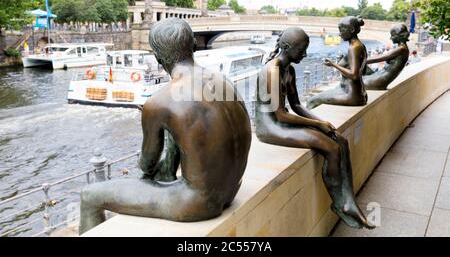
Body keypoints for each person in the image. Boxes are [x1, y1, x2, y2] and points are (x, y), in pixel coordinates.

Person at [79, 18, 252, 234]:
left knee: (89, 195)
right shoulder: (225, 83)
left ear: (157, 57)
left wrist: (151, 144)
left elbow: (146, 165)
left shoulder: (160, 102)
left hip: (196, 203)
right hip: (231, 191)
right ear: (193, 45)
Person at [255, 27, 373, 229]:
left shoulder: (289, 70)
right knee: (331, 148)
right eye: (301, 50)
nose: (305, 54)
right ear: (286, 47)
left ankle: (349, 200)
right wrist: (318, 124)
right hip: (270, 127)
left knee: (340, 140)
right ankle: (340, 203)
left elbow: (297, 106)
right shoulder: (271, 71)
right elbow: (280, 114)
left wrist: (323, 123)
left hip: (281, 122)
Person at [307, 16, 368, 109]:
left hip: (351, 95)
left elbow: (354, 75)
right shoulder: (360, 45)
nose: (339, 34)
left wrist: (333, 64)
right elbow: (362, 71)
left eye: (341, 30)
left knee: (311, 101)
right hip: (359, 93)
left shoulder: (354, 48)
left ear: (351, 29)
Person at [362, 24, 410, 90]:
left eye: (392, 35)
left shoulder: (401, 49)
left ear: (400, 36)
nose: (390, 38)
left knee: (353, 81)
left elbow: (381, 58)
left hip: (381, 80)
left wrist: (361, 60)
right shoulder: (401, 48)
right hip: (379, 75)